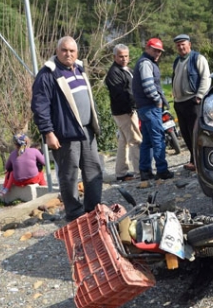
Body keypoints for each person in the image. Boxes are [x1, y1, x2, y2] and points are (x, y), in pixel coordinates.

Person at [31, 36, 103, 223]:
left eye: (72, 51)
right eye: (64, 50)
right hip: (65, 135)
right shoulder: (48, 74)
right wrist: (48, 132)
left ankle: (93, 210)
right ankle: (75, 215)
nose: (68, 54)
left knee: (94, 170)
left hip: (87, 131)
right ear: (57, 51)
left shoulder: (79, 69)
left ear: (77, 53)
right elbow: (40, 106)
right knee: (69, 176)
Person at [132, 38, 174, 181]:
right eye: (155, 50)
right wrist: (157, 101)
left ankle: (145, 171)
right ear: (147, 48)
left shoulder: (144, 62)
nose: (157, 53)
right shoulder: (146, 63)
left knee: (148, 141)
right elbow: (149, 86)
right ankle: (162, 170)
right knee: (158, 139)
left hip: (144, 108)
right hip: (150, 107)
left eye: (159, 51)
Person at [171, 34, 211, 171]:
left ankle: (199, 161)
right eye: (178, 45)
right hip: (179, 103)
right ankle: (194, 160)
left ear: (189, 45)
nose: (181, 47)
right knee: (185, 134)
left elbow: (206, 78)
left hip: (193, 101)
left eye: (183, 44)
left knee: (195, 132)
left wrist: (199, 96)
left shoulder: (198, 58)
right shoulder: (177, 61)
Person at [105, 44, 142, 182]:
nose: (124, 58)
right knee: (135, 140)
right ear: (114, 57)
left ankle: (121, 172)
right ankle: (140, 171)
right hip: (124, 111)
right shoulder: (114, 73)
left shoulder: (126, 69)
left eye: (126, 56)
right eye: (121, 56)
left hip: (125, 110)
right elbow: (120, 94)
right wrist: (132, 107)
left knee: (124, 141)